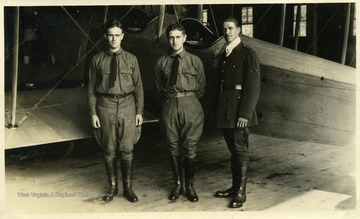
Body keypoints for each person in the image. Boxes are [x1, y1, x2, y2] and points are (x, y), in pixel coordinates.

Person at [88, 19, 144, 203]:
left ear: (122, 36)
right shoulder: (97, 60)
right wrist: (93, 113)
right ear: (105, 36)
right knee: (109, 149)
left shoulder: (132, 59)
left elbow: (138, 88)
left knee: (127, 149)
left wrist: (139, 112)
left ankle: (128, 187)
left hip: (127, 106)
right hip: (105, 106)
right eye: (110, 35)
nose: (113, 38)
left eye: (117, 35)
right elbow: (90, 90)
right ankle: (112, 186)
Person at [154, 23, 205, 202]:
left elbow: (201, 87)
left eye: (178, 37)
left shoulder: (194, 61)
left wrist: (187, 98)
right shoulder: (161, 62)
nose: (174, 41)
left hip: (191, 104)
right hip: (169, 104)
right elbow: (159, 87)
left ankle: (189, 186)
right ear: (168, 39)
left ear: (184, 38)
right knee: (172, 145)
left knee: (190, 146)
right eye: (171, 37)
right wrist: (172, 99)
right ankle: (177, 184)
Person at [214, 17, 260, 208]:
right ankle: (234, 188)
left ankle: (241, 192)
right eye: (224, 29)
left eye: (231, 29)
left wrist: (245, 114)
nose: (227, 32)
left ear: (239, 30)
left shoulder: (247, 54)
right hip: (225, 109)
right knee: (233, 151)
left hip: (239, 110)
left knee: (240, 152)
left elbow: (253, 87)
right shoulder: (224, 53)